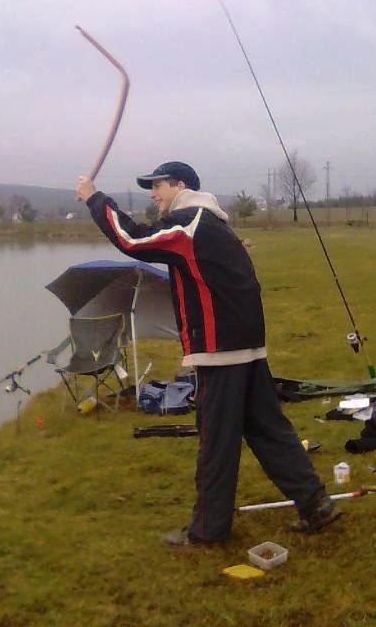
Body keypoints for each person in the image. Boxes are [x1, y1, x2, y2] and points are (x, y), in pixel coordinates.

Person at [76, 161, 340, 545]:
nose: (153, 193)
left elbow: (133, 240)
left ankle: (208, 531)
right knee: (270, 431)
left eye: (158, 186)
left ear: (180, 185)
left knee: (216, 442)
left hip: (220, 350)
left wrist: (94, 199)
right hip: (246, 347)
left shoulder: (189, 221)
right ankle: (315, 504)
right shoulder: (214, 224)